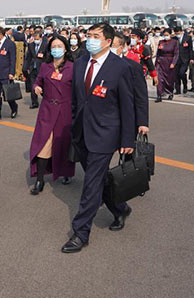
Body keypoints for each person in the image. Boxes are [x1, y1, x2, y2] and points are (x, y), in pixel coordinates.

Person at [63, 23, 135, 254]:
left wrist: (127, 141)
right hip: (81, 132)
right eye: (88, 35)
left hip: (105, 134)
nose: (89, 40)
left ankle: (80, 232)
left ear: (107, 41)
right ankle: (119, 208)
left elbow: (127, 107)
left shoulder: (120, 67)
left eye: (95, 36)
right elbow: (76, 100)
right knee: (100, 179)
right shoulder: (81, 62)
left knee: (91, 184)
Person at [29, 35, 75, 195]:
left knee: (63, 143)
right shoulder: (45, 66)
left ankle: (66, 173)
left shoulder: (72, 67)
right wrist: (36, 87)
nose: (56, 49)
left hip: (65, 111)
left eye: (59, 46)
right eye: (53, 46)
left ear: (66, 48)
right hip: (47, 110)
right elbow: (38, 81)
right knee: (43, 144)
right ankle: (40, 179)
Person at [112, 33, 150, 136]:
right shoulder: (96, 65)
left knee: (127, 149)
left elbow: (141, 96)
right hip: (102, 119)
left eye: (113, 45)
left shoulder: (133, 67)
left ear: (121, 47)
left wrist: (142, 123)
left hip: (126, 119)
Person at [0, 26, 17, 120]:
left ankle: (14, 108)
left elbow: (13, 60)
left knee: (7, 94)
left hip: (6, 73)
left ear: (0, 34)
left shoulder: (10, 44)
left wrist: (11, 73)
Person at [24, 32, 47, 109]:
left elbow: (47, 58)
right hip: (32, 69)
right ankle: (34, 102)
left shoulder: (45, 45)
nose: (36, 40)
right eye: (35, 38)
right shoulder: (31, 45)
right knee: (33, 86)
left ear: (41, 38)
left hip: (42, 69)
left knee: (44, 86)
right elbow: (28, 57)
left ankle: (47, 101)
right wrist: (26, 67)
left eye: (37, 38)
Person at [155, 28, 179, 102]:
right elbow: (158, 53)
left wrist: (173, 63)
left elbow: (176, 53)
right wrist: (156, 62)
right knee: (159, 78)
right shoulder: (161, 42)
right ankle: (159, 95)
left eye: (167, 35)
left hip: (169, 62)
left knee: (169, 79)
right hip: (161, 61)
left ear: (170, 35)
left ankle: (170, 92)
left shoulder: (175, 42)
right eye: (164, 35)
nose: (165, 36)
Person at [174, 27, 192, 94]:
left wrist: (191, 58)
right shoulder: (174, 38)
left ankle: (185, 86)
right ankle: (177, 90)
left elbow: (190, 49)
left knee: (182, 73)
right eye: (176, 33)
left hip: (185, 59)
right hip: (176, 59)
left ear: (181, 31)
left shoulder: (187, 38)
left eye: (178, 33)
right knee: (176, 75)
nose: (177, 34)